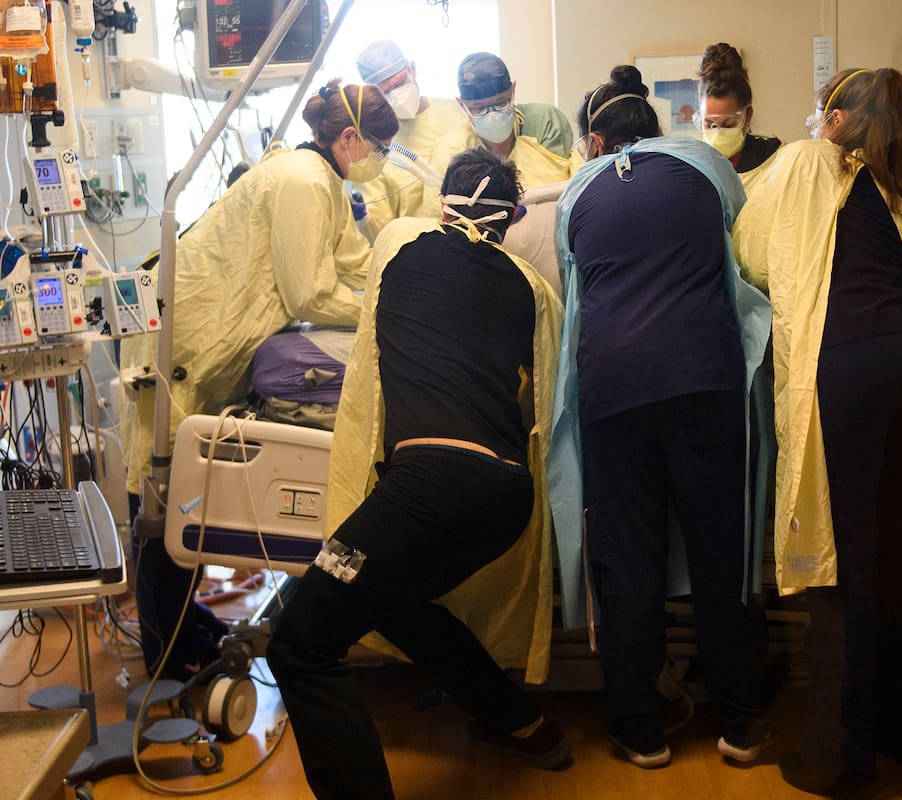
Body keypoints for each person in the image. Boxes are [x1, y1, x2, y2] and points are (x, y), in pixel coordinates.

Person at [266, 148, 568, 799]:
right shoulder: (532, 289)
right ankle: (525, 726)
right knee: (396, 602)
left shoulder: (402, 245)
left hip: (429, 485)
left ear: (442, 206)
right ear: (513, 218)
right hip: (505, 496)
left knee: (298, 643)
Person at [732, 68, 902, 795]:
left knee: (844, 557)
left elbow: (752, 252)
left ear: (835, 118)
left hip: (852, 364)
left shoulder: (808, 159)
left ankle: (838, 756)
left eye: (819, 111)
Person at [120, 79, 397, 680]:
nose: (380, 160)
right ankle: (166, 657)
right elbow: (310, 294)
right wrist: (378, 313)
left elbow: (353, 259)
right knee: (163, 495)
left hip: (211, 341)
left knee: (187, 494)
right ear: (350, 138)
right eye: (379, 148)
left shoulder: (322, 180)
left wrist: (402, 267)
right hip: (185, 340)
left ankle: (185, 624)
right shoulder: (303, 181)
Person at [549, 65, 773, 769]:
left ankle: (640, 728)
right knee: (719, 549)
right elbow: (742, 249)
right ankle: (741, 721)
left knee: (628, 557)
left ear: (594, 141)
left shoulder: (578, 192)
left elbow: (574, 282)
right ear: (656, 128)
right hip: (703, 377)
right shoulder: (707, 167)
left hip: (614, 385)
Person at [422, 52, 572, 215]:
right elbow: (438, 214)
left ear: (513, 90)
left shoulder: (543, 121)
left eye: (501, 103)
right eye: (479, 108)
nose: (492, 115)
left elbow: (565, 189)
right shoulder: (450, 150)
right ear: (461, 104)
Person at [355, 40, 469, 238]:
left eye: (399, 84)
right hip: (414, 246)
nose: (397, 96)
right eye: (385, 92)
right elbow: (380, 227)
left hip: (471, 237)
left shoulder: (458, 113)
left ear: (412, 70)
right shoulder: (376, 145)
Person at [696, 42, 783, 194]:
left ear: (748, 115)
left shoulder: (773, 157)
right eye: (709, 124)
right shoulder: (693, 163)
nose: (717, 133)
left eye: (728, 124)